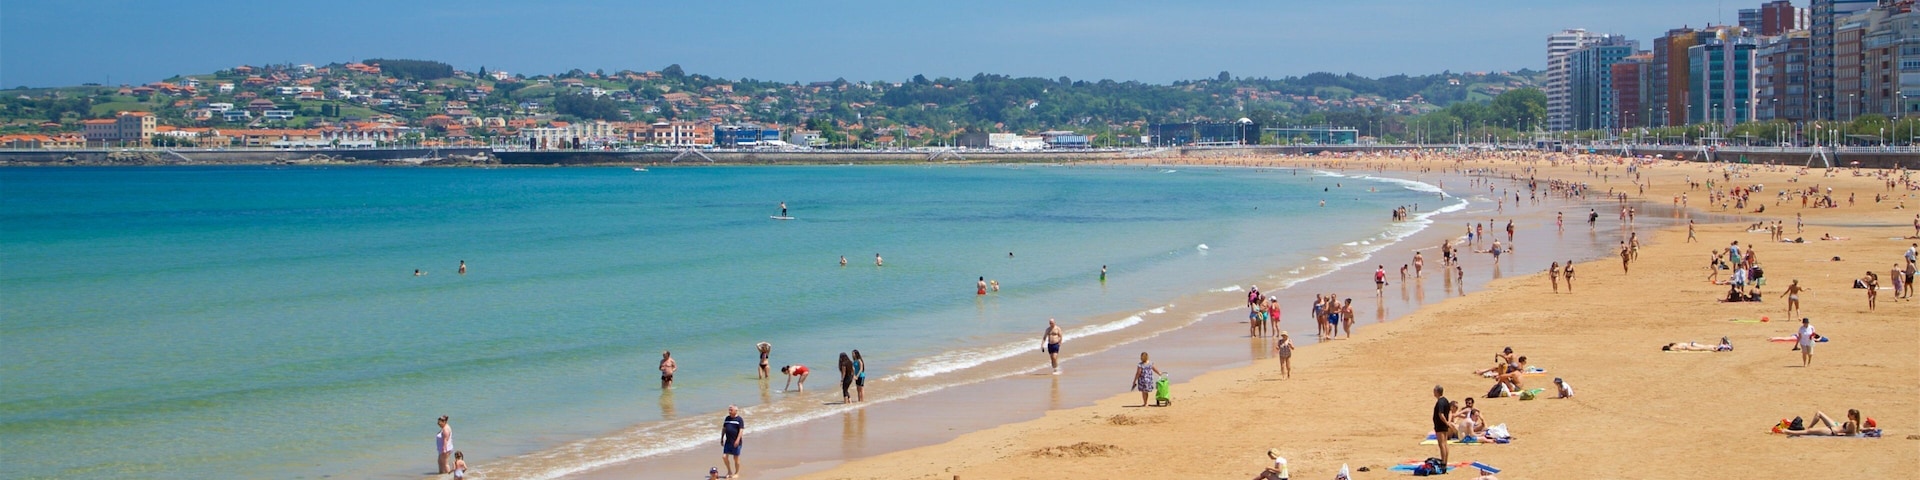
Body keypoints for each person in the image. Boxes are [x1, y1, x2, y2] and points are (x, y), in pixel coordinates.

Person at [1780, 409, 1865, 437]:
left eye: (1849, 415)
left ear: (1853, 415)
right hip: (1832, 430)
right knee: (1809, 432)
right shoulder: (1854, 423)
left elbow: (1851, 434)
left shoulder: (1853, 423)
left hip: (1832, 431)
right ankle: (1787, 431)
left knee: (1808, 432)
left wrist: (1841, 434)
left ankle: (1787, 431)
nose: (1847, 416)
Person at [1431, 385, 1452, 470]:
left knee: (1441, 444)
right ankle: (1445, 462)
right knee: (1445, 443)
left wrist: (1446, 422)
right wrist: (1448, 422)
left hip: (1440, 425)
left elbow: (1441, 414)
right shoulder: (1445, 400)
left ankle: (1443, 463)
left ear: (1437, 392)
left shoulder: (1440, 402)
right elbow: (1450, 411)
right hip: (1444, 425)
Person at [720, 405, 744, 478]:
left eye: (731, 410)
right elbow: (724, 428)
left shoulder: (739, 419)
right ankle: (729, 471)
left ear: (736, 411)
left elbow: (741, 430)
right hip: (728, 441)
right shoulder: (727, 418)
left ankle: (737, 472)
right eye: (729, 410)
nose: (729, 411)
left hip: (736, 442)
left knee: (735, 458)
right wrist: (721, 438)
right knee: (724, 457)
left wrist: (737, 440)